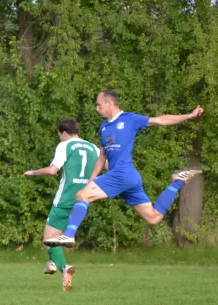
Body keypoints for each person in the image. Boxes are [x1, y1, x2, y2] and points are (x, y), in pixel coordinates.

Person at [44, 89, 203, 248]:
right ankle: (177, 181)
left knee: (81, 195)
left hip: (123, 173)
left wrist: (189, 116)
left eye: (99, 105)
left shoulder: (130, 119)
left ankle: (68, 236)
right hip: (127, 178)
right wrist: (92, 178)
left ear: (109, 103)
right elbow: (102, 155)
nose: (96, 108)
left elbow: (161, 120)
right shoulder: (104, 127)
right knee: (153, 218)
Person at [24, 119, 99, 291]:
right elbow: (109, 167)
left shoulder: (65, 146)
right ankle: (52, 263)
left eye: (59, 135)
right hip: (83, 201)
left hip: (64, 201)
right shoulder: (93, 148)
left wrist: (32, 172)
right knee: (57, 238)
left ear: (64, 132)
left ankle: (65, 268)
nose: (59, 138)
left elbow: (52, 170)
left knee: (48, 241)